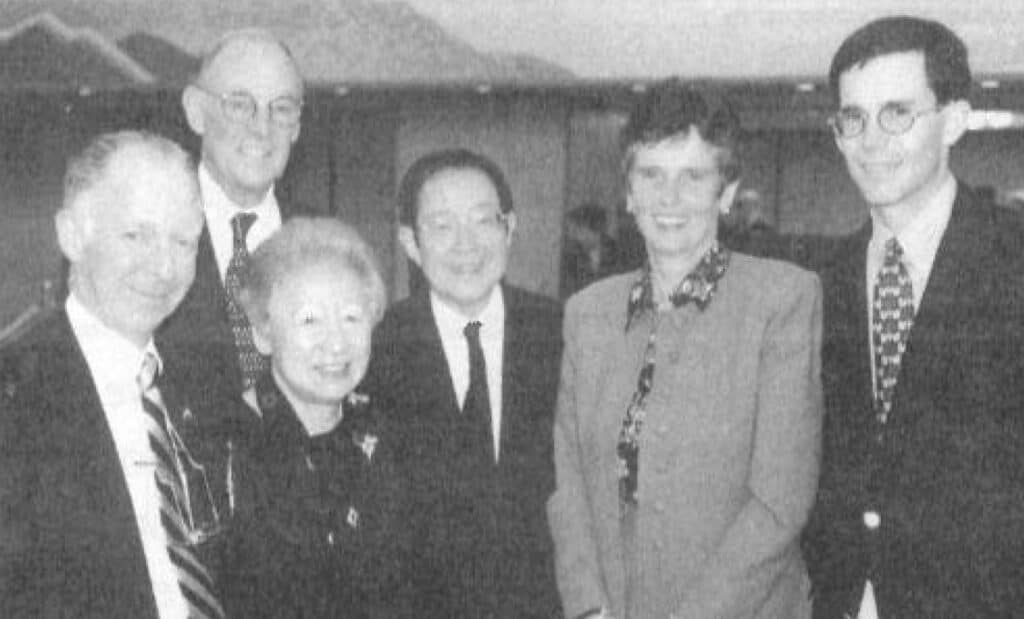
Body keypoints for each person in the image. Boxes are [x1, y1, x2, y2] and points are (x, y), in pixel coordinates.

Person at [547, 80, 823, 619]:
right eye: (651, 175)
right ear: (628, 192)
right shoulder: (587, 313)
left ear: (725, 191)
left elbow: (779, 504)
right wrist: (588, 607)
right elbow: (568, 484)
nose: (669, 199)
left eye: (693, 176)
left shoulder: (782, 298)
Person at [801, 16, 1024, 618]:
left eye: (897, 113)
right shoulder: (820, 284)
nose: (871, 140)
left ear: (954, 120)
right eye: (853, 119)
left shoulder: (1015, 264)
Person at [0, 131, 230, 618]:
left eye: (183, 241)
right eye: (136, 236)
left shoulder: (204, 387)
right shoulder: (14, 394)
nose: (163, 267)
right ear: (71, 235)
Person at [363, 148, 562, 618]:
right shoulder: (376, 349)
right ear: (410, 242)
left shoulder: (561, 335)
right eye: (441, 226)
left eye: (482, 221)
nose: (465, 245)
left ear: (510, 229)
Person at [220, 217, 406, 618]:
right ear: (264, 333)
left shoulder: (386, 432)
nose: (336, 342)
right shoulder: (227, 448)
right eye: (310, 320)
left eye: (352, 318)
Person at [159, 28, 311, 410]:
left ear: (297, 125)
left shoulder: (322, 243)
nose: (262, 128)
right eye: (240, 104)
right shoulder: (146, 232)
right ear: (196, 110)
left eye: (281, 108)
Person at [560, 203, 621, 298]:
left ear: (596, 230)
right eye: (571, 231)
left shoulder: (618, 252)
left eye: (578, 231)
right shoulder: (570, 255)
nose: (574, 237)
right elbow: (568, 292)